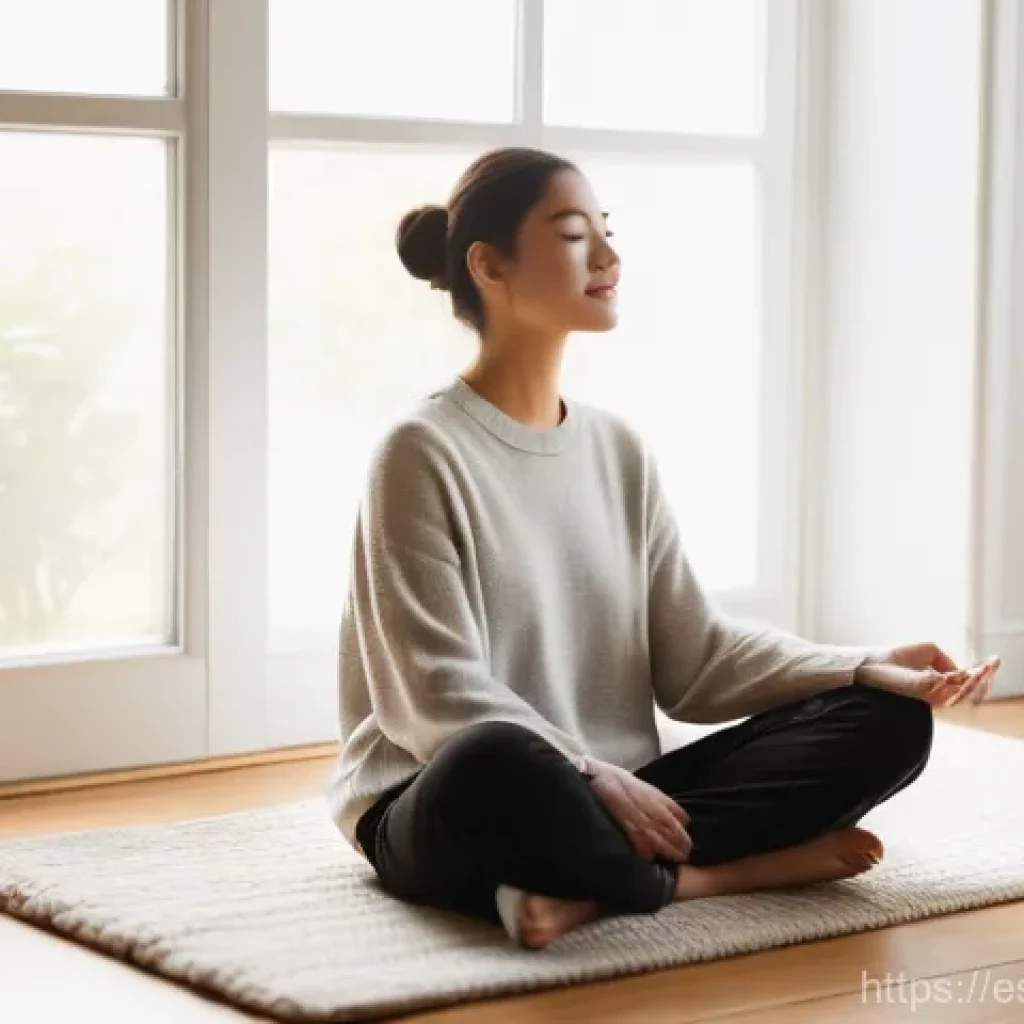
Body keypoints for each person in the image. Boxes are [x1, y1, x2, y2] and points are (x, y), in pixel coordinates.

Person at [326, 147, 1002, 950]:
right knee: (496, 759)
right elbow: (431, 701)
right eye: (575, 235)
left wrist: (865, 665)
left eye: (606, 232)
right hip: (446, 795)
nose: (609, 257)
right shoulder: (420, 450)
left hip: (619, 794)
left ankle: (589, 883)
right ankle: (712, 875)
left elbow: (697, 660)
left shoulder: (617, 450)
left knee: (888, 724)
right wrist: (585, 772)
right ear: (488, 264)